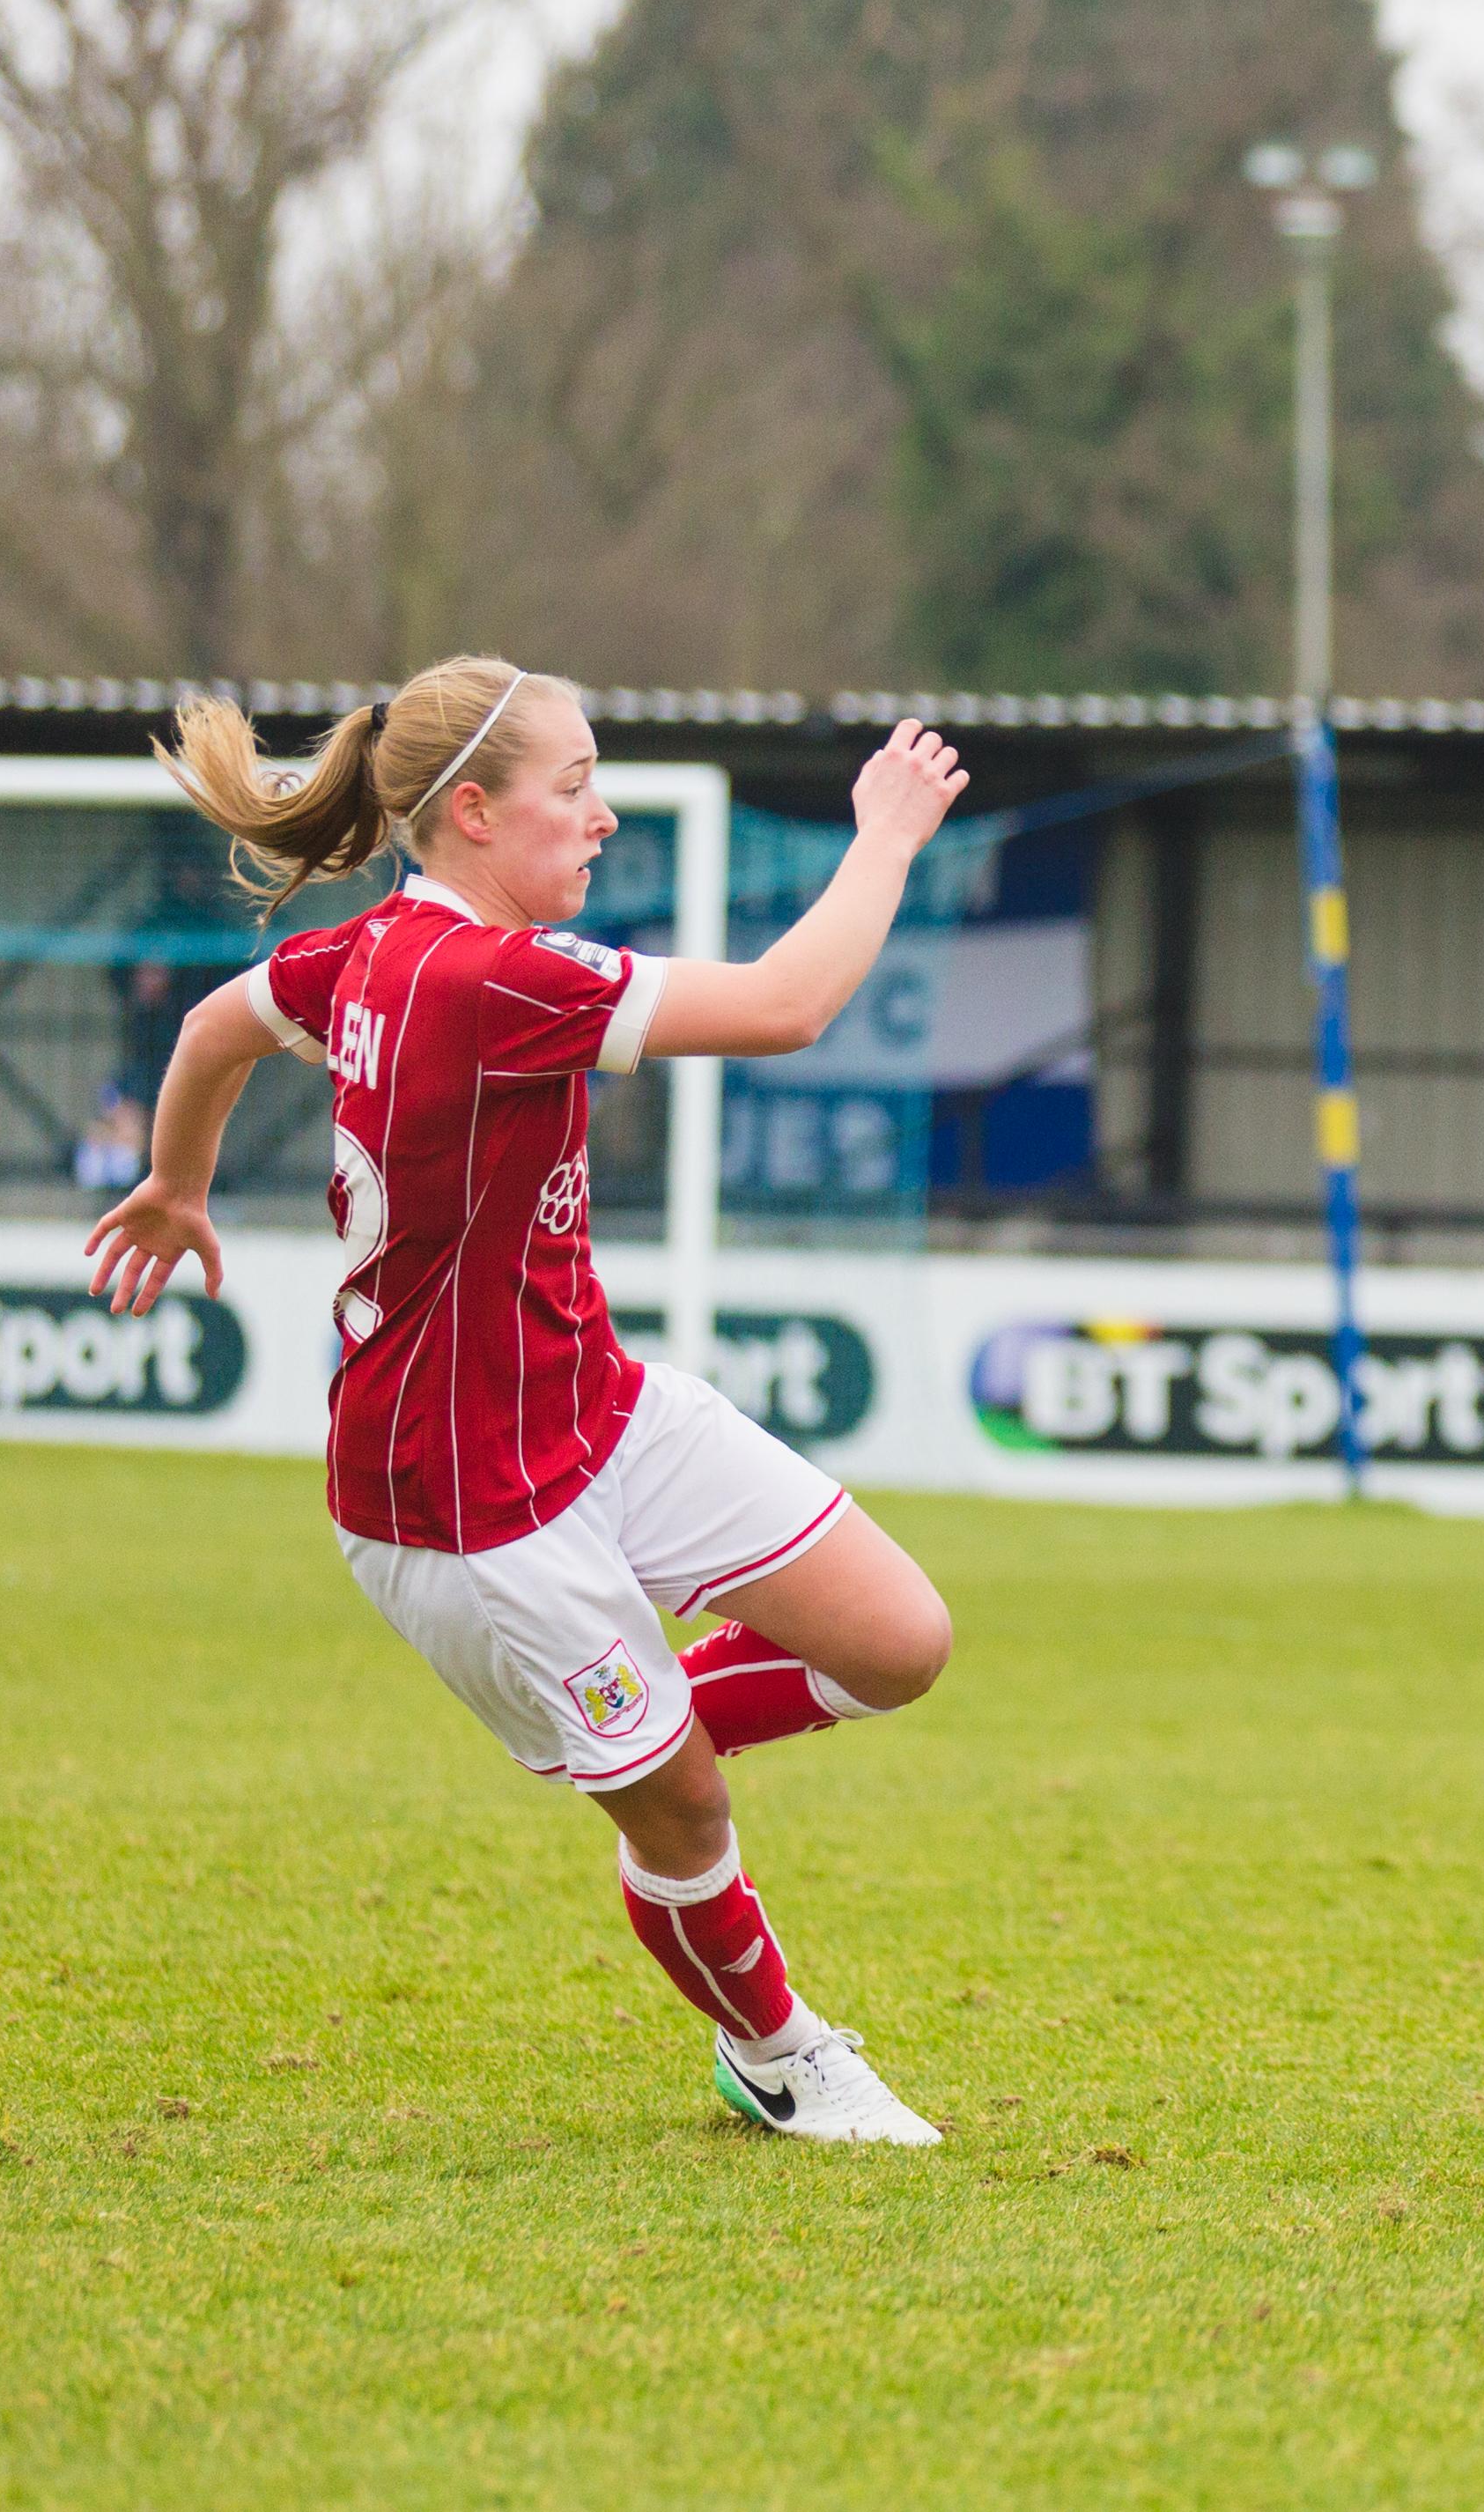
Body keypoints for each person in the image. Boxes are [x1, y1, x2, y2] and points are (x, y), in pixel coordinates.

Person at [86, 661, 971, 2145]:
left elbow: (211, 1031)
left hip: (596, 1409)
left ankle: (648, 1736)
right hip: (462, 1505)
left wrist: (178, 1177)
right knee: (681, 1810)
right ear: (477, 813)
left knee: (899, 1638)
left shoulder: (375, 952)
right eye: (575, 788)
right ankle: (778, 2054)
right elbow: (786, 1006)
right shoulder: (477, 977)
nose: (604, 815)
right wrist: (881, 834)